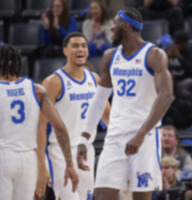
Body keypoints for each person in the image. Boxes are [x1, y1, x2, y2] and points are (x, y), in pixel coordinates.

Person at [77, 8, 173, 200]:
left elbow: (166, 96)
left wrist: (140, 134)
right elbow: (98, 100)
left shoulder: (154, 54)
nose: (111, 28)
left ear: (126, 26)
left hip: (143, 137)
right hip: (115, 135)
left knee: (140, 197)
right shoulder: (110, 56)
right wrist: (84, 137)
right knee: (102, 194)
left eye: (115, 23)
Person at [36, 32, 110, 200]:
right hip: (60, 152)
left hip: (86, 151)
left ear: (88, 51)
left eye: (83, 45)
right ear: (65, 51)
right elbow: (40, 125)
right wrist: (41, 163)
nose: (80, 49)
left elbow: (108, 116)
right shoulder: (54, 82)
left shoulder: (95, 79)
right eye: (75, 46)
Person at [0, 44, 79, 199]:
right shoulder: (37, 90)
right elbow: (60, 128)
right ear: (19, 64)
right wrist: (69, 163)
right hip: (29, 159)